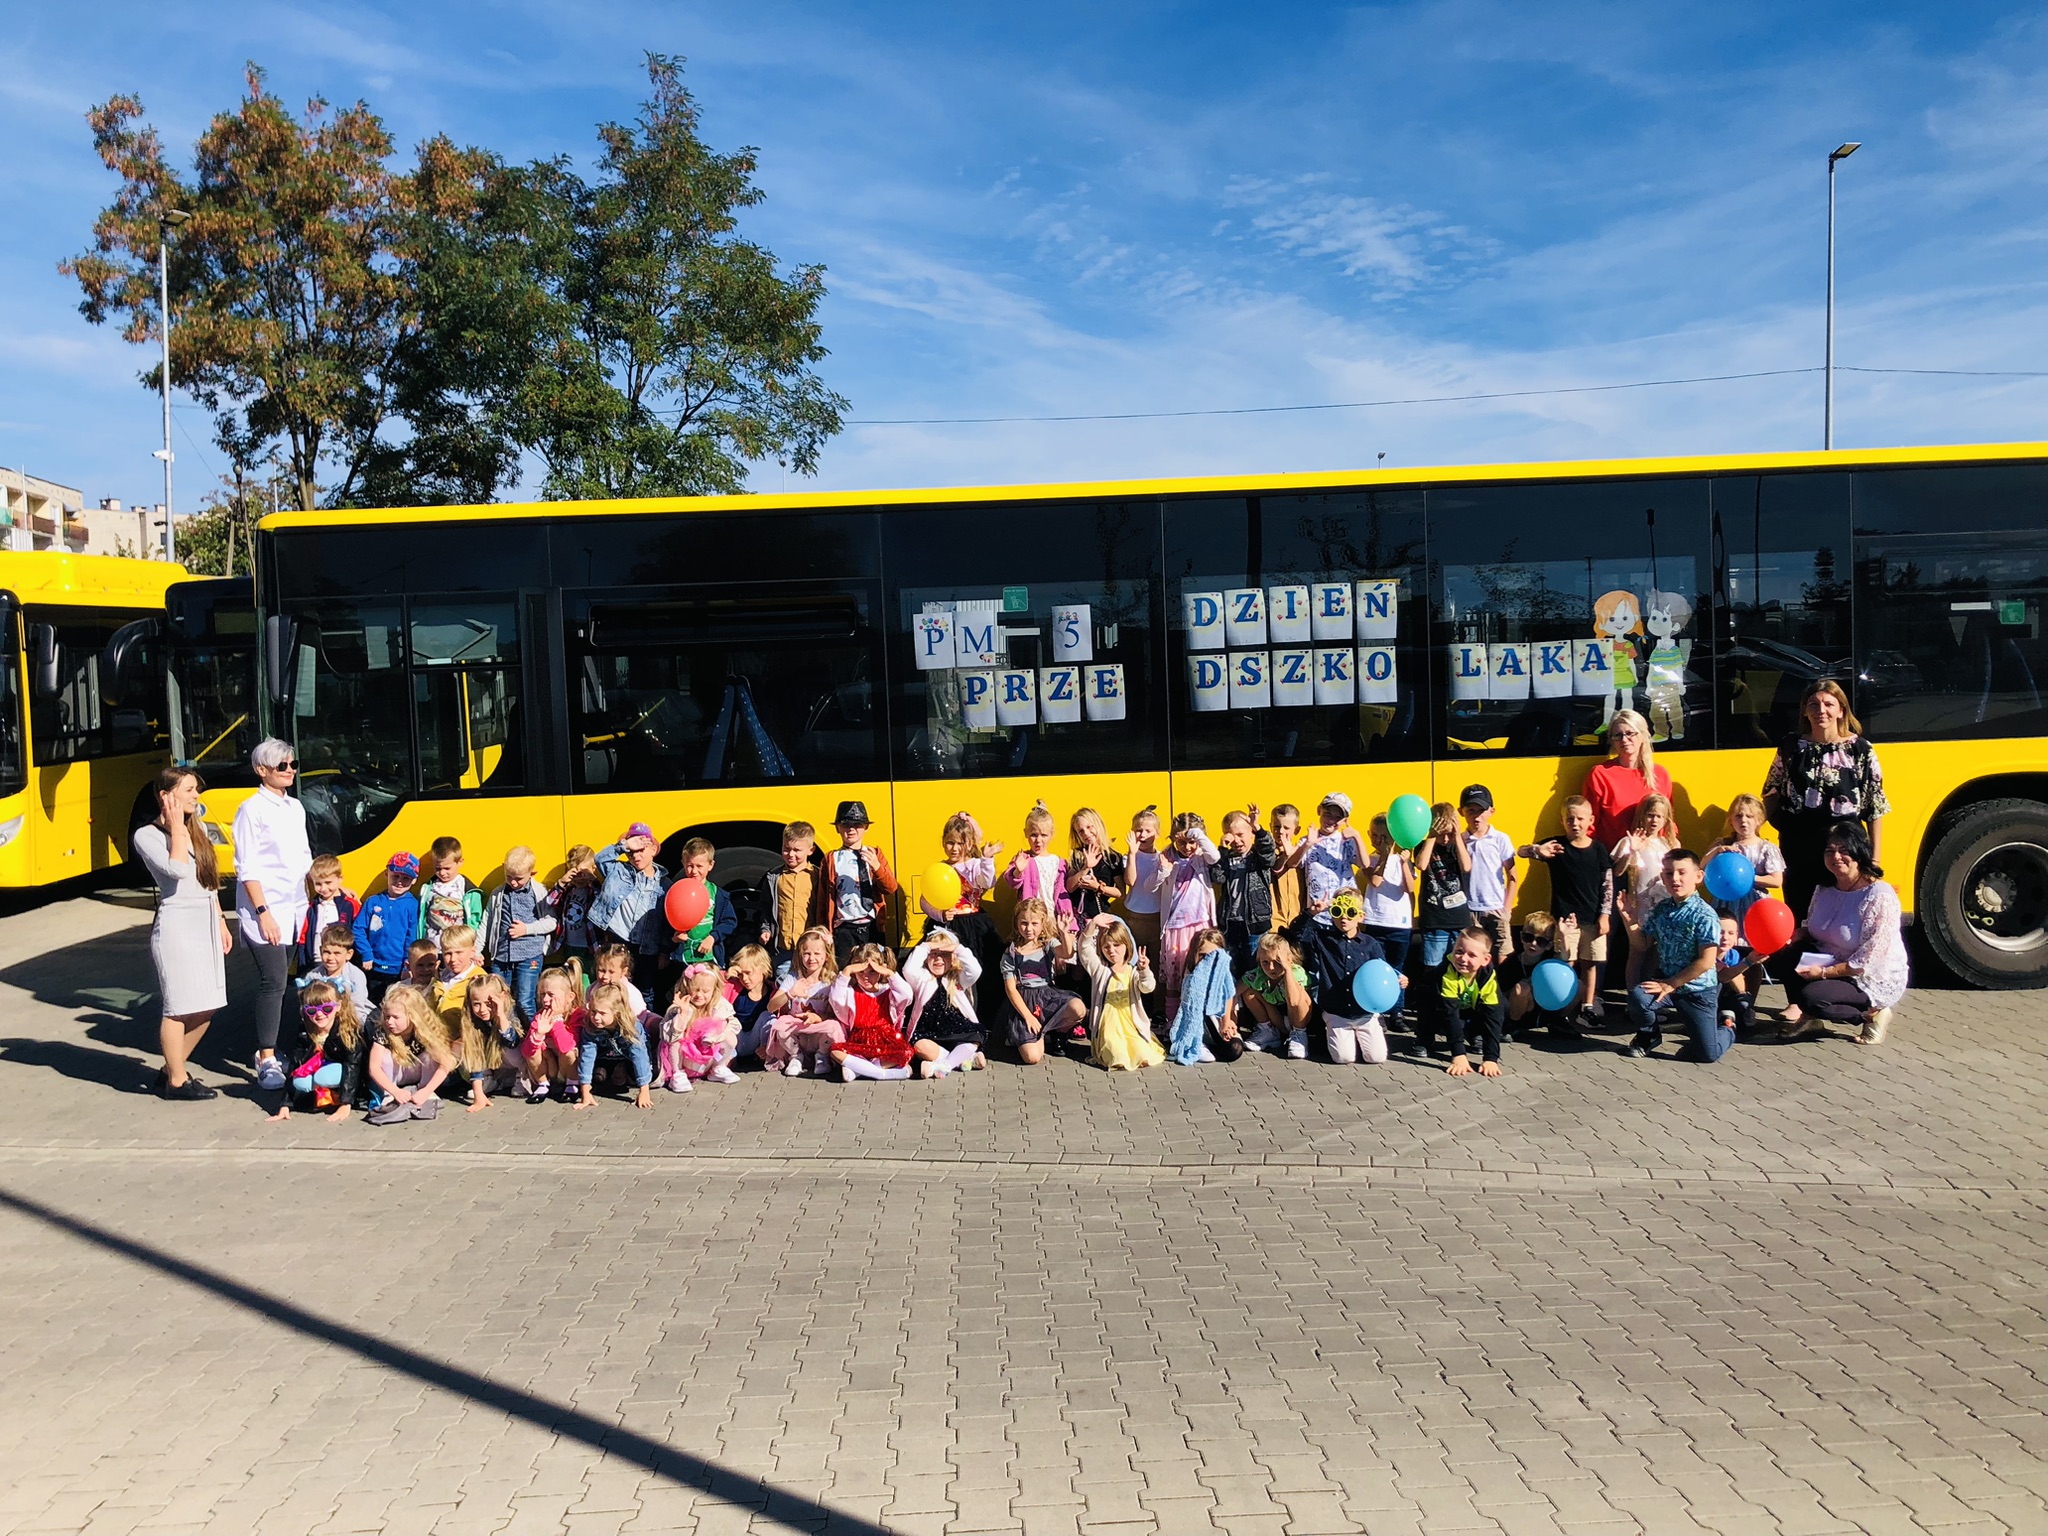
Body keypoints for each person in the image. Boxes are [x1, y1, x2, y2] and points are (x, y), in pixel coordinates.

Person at [135, 767, 233, 1099]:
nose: (196, 796)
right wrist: (176, 828)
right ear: (166, 796)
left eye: (196, 790)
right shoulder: (146, 835)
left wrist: (220, 919)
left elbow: (208, 879)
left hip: (204, 921)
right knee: (178, 1006)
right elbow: (175, 871)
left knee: (209, 1003)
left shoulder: (198, 828)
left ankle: (171, 1068)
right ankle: (177, 1080)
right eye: (189, 790)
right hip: (176, 927)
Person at [1762, 680, 1890, 921]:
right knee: (1801, 915)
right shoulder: (1791, 747)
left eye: (1829, 704)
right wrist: (1769, 829)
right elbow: (1771, 792)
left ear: (1841, 710)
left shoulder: (1861, 750)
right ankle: (1805, 960)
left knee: (1844, 917)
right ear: (1805, 711)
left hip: (1846, 848)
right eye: (1814, 704)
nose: (1821, 710)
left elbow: (1875, 807)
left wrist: (1873, 860)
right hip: (1799, 847)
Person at [1778, 820, 1908, 1046]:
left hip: (1867, 974)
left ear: (1859, 852)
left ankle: (1872, 1014)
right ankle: (1810, 1020)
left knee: (1813, 999)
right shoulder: (1824, 888)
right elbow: (1817, 929)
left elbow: (1867, 961)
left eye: (1844, 850)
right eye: (1830, 851)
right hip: (1830, 958)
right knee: (1781, 954)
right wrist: (1797, 935)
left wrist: (1823, 973)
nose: (1836, 857)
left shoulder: (1879, 896)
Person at [232, 738, 312, 1092]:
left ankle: (281, 1049)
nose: (290, 771)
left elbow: (304, 857)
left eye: (293, 764)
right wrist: (263, 912)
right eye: (282, 766)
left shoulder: (295, 807)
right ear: (261, 770)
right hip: (266, 908)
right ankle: (266, 1057)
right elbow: (246, 867)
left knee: (288, 982)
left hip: (296, 906)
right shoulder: (251, 809)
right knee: (274, 981)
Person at [1620, 850, 1731, 1063]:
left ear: (1698, 877)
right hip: (1666, 985)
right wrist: (1629, 920)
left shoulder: (1705, 915)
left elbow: (1706, 961)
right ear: (1663, 877)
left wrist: (1673, 983)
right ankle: (1649, 1035)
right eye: (1669, 873)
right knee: (1638, 997)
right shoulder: (1662, 908)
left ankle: (1728, 1027)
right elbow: (1642, 944)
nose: (1675, 879)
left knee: (1708, 1055)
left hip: (1698, 991)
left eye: (1682, 872)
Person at [1519, 795, 1614, 1029]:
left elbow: (1608, 885)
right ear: (1563, 821)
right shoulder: (1556, 847)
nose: (1575, 823)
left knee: (1590, 963)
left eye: (1580, 819)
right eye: (1569, 819)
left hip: (1592, 919)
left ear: (1590, 820)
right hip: (1564, 921)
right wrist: (1537, 849)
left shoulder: (1599, 849)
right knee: (1565, 963)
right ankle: (1560, 1010)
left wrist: (1605, 915)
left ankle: (1588, 1008)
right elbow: (1520, 852)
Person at [1292, 890, 1393, 1066]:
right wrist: (1312, 913)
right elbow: (1295, 934)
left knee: (1376, 1058)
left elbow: (1382, 970)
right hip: (1337, 1011)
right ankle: (1335, 1035)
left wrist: (1397, 980)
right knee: (1343, 1058)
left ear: (1360, 916)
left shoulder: (1370, 944)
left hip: (1365, 1012)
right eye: (1338, 912)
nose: (1344, 918)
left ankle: (1361, 1035)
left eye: (1351, 913)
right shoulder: (1323, 938)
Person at [929, 812, 1002, 1015]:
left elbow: (987, 882)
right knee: (945, 970)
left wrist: (987, 859)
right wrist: (939, 914)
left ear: (969, 844)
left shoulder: (974, 865)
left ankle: (977, 1014)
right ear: (943, 842)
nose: (955, 848)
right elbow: (925, 900)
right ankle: (946, 1012)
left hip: (972, 925)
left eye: (960, 843)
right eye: (950, 843)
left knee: (975, 969)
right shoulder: (940, 868)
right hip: (947, 925)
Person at [587, 823, 671, 999]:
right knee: (615, 989)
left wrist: (664, 951)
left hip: (648, 947)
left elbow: (666, 921)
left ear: (653, 849)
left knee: (645, 991)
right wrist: (623, 846)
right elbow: (600, 859)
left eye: (641, 850)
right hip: (620, 941)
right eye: (631, 852)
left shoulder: (664, 885)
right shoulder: (619, 871)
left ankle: (643, 1025)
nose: (636, 856)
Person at [1001, 898, 1085, 1066]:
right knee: (1032, 1058)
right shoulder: (1011, 953)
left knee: (1079, 1009)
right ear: (1017, 923)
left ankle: (1056, 1032)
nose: (1029, 929)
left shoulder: (1047, 944)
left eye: (1034, 923)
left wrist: (1064, 933)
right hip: (1025, 1001)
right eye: (1024, 923)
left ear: (1042, 923)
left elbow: (1067, 953)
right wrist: (1028, 1018)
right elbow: (1011, 989)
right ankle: (1022, 1036)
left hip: (1047, 995)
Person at [1078, 914, 1165, 1072]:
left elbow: (1148, 987)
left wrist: (1144, 970)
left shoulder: (1133, 971)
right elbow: (1083, 948)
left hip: (1131, 1024)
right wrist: (1093, 926)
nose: (1111, 951)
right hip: (1108, 1026)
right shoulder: (1100, 969)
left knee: (1143, 1054)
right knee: (1116, 1054)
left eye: (1116, 945)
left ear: (1127, 945)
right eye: (1106, 947)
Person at [816, 801, 898, 963]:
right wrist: (823, 929)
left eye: (857, 824)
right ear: (837, 828)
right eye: (845, 824)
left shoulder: (875, 854)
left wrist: (876, 866)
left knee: (874, 968)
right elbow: (822, 899)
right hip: (844, 928)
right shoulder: (831, 859)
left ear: (866, 827)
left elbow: (890, 888)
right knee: (845, 970)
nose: (851, 829)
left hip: (871, 925)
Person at [481, 845, 555, 1023]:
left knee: (525, 1001)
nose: (513, 882)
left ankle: (534, 1039)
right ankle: (507, 1037)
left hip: (529, 954)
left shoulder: (539, 893)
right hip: (501, 955)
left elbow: (551, 922)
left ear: (532, 873)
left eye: (519, 879)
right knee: (500, 1001)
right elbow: (487, 921)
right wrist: (477, 950)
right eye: (509, 877)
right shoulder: (498, 893)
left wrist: (526, 929)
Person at [1410, 802, 1472, 1008]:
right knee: (1432, 967)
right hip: (1435, 918)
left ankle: (1456, 1008)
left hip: (1458, 919)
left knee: (1461, 966)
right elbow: (1421, 864)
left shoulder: (1456, 844)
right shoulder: (1424, 844)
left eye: (1448, 834)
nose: (1444, 839)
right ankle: (1432, 1006)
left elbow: (1466, 866)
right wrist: (1431, 837)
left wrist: (1456, 837)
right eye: (1441, 834)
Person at [1156, 810, 1221, 1010]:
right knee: (1174, 979)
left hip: (1200, 924)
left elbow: (1215, 856)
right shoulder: (1166, 856)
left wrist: (1199, 836)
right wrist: (1164, 870)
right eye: (1182, 842)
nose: (1188, 847)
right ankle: (1172, 1020)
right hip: (1175, 927)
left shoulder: (1201, 855)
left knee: (1201, 973)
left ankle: (1201, 1018)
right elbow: (1153, 885)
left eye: (1191, 842)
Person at [272, 980, 362, 1122]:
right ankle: (323, 1096)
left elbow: (353, 1066)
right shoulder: (305, 1031)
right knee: (300, 1081)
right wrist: (285, 1105)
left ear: (338, 1006)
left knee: (324, 1076)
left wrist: (347, 1104)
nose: (319, 1015)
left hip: (344, 1075)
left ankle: (338, 1097)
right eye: (312, 1011)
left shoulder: (348, 1031)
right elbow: (294, 1065)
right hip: (319, 1071)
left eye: (326, 1009)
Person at [364, 984, 455, 1124]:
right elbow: (374, 1068)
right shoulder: (383, 1032)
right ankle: (387, 1095)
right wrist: (395, 1091)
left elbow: (446, 1064)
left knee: (431, 1055)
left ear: (412, 1016)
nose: (389, 1022)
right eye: (387, 1016)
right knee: (385, 1056)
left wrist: (427, 1091)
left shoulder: (425, 1031)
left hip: (419, 1073)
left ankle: (425, 1090)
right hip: (396, 1076)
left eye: (395, 1017)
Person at [1583, 708, 1672, 849]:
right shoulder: (1600, 774)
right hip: (1615, 857)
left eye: (1630, 733)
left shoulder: (1660, 774)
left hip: (1654, 858)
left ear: (1642, 736)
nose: (1624, 739)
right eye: (1618, 735)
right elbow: (1588, 824)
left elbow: (1669, 822)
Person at [903, 929, 987, 1078]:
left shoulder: (958, 978)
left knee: (975, 1036)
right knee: (919, 1046)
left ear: (953, 958)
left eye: (944, 954)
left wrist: (957, 948)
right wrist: (926, 946)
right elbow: (908, 969)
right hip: (930, 1032)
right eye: (934, 954)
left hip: (957, 1029)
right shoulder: (922, 978)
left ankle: (944, 1065)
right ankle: (963, 1060)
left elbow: (975, 970)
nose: (938, 959)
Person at [1612, 793, 1674, 989]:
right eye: (1650, 815)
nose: (1654, 820)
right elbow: (1617, 870)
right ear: (1642, 816)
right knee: (1637, 950)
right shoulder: (1630, 841)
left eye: (1659, 816)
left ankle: (1646, 994)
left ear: (1666, 820)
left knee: (1656, 952)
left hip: (1663, 905)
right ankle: (1632, 995)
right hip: (1639, 905)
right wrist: (1632, 849)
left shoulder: (1668, 844)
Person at [828, 946, 917, 1082]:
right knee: (835, 1051)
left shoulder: (888, 991)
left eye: (872, 972)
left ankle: (859, 1070)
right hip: (859, 1041)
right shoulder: (851, 992)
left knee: (906, 1052)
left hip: (886, 1041)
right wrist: (847, 971)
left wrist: (889, 973)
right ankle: (880, 1074)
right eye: (861, 972)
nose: (866, 977)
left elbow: (907, 996)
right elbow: (835, 999)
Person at [764, 927, 841, 1078]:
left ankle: (822, 1056)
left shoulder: (831, 980)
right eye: (806, 953)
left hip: (820, 1033)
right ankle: (796, 1057)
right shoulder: (794, 977)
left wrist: (818, 1018)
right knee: (779, 1025)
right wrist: (790, 993)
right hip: (798, 1035)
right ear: (800, 955)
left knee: (834, 1026)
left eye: (817, 953)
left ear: (826, 956)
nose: (811, 958)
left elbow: (835, 1014)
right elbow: (771, 1006)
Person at [1213, 805, 1278, 976]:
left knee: (1254, 967)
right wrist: (1222, 850)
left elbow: (1269, 852)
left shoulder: (1257, 857)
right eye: (1231, 836)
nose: (1237, 841)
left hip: (1255, 924)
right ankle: (1236, 1002)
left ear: (1251, 834)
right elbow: (1217, 877)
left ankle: (1255, 1002)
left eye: (1241, 835)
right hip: (1230, 923)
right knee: (1231, 968)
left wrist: (1258, 828)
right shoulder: (1227, 856)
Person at [1432, 929, 1505, 1077]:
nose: (1463, 959)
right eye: (1459, 951)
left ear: (1485, 960)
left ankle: (1473, 1032)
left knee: (1502, 1006)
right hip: (1439, 1008)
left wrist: (1491, 1058)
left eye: (1472, 955)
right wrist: (1458, 1054)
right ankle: (1424, 1038)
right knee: (1430, 1006)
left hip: (1469, 1010)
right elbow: (1449, 1013)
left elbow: (1493, 1016)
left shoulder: (1488, 977)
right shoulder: (1447, 971)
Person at [1458, 785, 1518, 965]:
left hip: (1496, 907)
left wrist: (1506, 909)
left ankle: (1502, 992)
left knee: (1503, 956)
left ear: (1491, 811)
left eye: (1481, 810)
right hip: (1470, 909)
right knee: (1473, 958)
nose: (1477, 816)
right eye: (1471, 810)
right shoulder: (1461, 841)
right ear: (1462, 812)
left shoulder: (1500, 839)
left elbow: (1513, 876)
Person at [1707, 793, 1785, 926]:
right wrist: (1716, 851)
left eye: (1749, 816)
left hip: (1754, 904)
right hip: (1725, 903)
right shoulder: (1722, 844)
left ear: (1759, 820)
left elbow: (1776, 880)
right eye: (1738, 816)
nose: (1743, 820)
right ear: (1731, 820)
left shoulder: (1766, 848)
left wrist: (1745, 879)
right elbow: (1702, 870)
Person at [353, 852, 421, 1004]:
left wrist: (407, 965)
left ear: (414, 880)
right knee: (372, 1006)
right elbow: (358, 929)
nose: (399, 882)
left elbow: (412, 938)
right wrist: (366, 953)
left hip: (398, 970)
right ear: (387, 873)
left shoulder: (412, 905)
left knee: (395, 1006)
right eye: (395, 876)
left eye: (406, 878)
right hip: (372, 967)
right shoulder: (373, 901)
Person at [1167, 928, 1242, 1065]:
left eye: (1213, 955)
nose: (1208, 960)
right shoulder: (1192, 976)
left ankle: (1215, 1045)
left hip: (1218, 1019)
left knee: (1234, 1049)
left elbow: (1228, 995)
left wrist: (1227, 1022)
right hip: (1201, 1021)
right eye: (1203, 956)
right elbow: (1190, 1007)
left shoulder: (1223, 974)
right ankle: (1197, 1042)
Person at [573, 983, 654, 1108]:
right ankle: (612, 1069)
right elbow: (587, 1056)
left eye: (602, 1013)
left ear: (617, 1013)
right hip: (606, 1055)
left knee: (651, 1074)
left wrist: (644, 1090)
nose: (596, 1017)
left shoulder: (631, 1027)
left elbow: (639, 1056)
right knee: (597, 1076)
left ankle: (622, 1069)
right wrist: (585, 1091)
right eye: (593, 1011)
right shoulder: (590, 1026)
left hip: (629, 1058)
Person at [453, 972, 526, 1111]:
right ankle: (488, 1079)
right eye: (476, 1004)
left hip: (517, 1059)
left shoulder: (511, 1011)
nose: (482, 1009)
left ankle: (522, 1078)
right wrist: (478, 1094)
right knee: (461, 1045)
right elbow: (474, 1054)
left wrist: (500, 1016)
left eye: (488, 1003)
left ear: (502, 998)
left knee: (508, 1047)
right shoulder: (471, 1019)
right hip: (495, 1063)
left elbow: (513, 1042)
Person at [658, 964, 739, 1089]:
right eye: (695, 989)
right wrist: (682, 1014)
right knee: (675, 1041)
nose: (699, 995)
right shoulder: (679, 1007)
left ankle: (718, 1068)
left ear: (714, 990)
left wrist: (718, 1036)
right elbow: (669, 1037)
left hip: (706, 1059)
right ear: (687, 987)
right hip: (684, 1060)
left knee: (730, 1037)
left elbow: (733, 1024)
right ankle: (677, 1074)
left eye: (705, 991)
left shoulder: (719, 1005)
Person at [1288, 792, 1367, 917]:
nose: (1331, 820)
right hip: (1317, 912)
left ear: (1345, 820)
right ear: (1319, 811)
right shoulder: (1308, 840)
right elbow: (1292, 863)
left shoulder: (1347, 841)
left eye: (1337, 817)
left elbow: (1364, 863)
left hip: (1345, 914)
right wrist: (1307, 844)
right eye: (1328, 814)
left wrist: (1357, 836)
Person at [1236, 933, 1313, 1056]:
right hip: (1279, 1020)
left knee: (1301, 995)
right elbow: (1233, 993)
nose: (1271, 968)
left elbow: (1293, 1002)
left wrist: (1287, 969)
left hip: (1298, 1019)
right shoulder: (1258, 974)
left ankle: (1298, 1035)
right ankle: (1268, 1031)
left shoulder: (1296, 972)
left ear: (1289, 959)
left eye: (1277, 962)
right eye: (1265, 962)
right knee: (1249, 992)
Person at [1359, 813, 1414, 974]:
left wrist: (1404, 864)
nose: (1377, 841)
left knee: (1397, 971)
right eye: (1374, 835)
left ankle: (1398, 999)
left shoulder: (1401, 859)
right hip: (1375, 922)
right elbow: (1375, 881)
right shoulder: (1369, 859)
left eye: (1384, 837)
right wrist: (1384, 854)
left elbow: (1409, 888)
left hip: (1399, 925)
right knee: (1377, 968)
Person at [522, 966, 584, 1103]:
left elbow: (566, 1047)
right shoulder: (541, 1015)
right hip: (549, 1068)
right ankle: (543, 1084)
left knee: (569, 1053)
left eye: (551, 995)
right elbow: (526, 1051)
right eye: (542, 994)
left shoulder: (577, 1015)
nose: (545, 1000)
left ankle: (572, 1083)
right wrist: (538, 1036)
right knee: (533, 1048)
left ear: (570, 997)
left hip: (569, 1068)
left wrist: (556, 1021)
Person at [1005, 802, 1073, 926]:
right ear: (1026, 833)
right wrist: (1018, 871)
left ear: (1052, 834)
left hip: (1053, 920)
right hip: (1031, 921)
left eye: (1044, 835)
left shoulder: (1059, 863)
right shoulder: (1024, 859)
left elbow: (1063, 893)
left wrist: (1069, 922)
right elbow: (1011, 882)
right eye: (1034, 835)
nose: (1038, 840)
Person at [762, 821, 818, 970]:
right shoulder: (774, 877)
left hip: (811, 948)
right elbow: (767, 907)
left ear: (811, 850)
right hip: (784, 948)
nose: (791, 854)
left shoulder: (817, 876)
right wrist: (765, 929)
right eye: (786, 849)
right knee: (783, 985)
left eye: (797, 850)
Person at [416, 836, 483, 950]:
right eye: (438, 868)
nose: (442, 873)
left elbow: (474, 921)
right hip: (432, 948)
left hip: (456, 948)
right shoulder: (428, 888)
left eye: (447, 868)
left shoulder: (467, 890)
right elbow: (422, 917)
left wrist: (472, 946)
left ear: (460, 862)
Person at [294, 856, 359, 970]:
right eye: (318, 884)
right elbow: (304, 937)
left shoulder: (350, 905)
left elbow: (358, 932)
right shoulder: (312, 907)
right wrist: (303, 964)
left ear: (340, 879)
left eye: (328, 882)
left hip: (342, 964)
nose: (323, 888)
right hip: (316, 961)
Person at [295, 922, 370, 1019]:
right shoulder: (313, 976)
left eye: (337, 953)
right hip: (320, 1019)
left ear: (349, 954)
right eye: (326, 952)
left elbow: (358, 1008)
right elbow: (306, 1006)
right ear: (320, 950)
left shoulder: (355, 976)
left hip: (348, 1021)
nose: (330, 957)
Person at [1064, 808, 1123, 925]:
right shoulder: (1078, 855)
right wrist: (1085, 868)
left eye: (1089, 827)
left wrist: (1098, 887)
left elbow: (1120, 893)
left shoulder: (1113, 857)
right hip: (1078, 917)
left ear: (1098, 825)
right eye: (1081, 831)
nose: (1086, 833)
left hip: (1100, 916)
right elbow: (1069, 887)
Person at [1121, 807, 1165, 960]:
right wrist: (1132, 854)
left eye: (1148, 831)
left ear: (1157, 834)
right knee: (1135, 959)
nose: (1143, 835)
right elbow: (1130, 881)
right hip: (1135, 916)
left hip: (1156, 916)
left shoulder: (1162, 858)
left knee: (1155, 961)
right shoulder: (1129, 857)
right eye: (1138, 830)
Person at [546, 844, 601, 968]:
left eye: (583, 873)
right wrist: (561, 882)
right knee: (572, 977)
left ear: (593, 869)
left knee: (588, 979)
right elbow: (549, 902)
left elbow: (604, 902)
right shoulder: (568, 890)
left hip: (590, 946)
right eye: (575, 873)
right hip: (569, 944)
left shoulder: (593, 890)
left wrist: (593, 880)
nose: (579, 878)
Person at [431, 925, 485, 1039]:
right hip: (437, 1037)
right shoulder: (440, 976)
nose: (453, 959)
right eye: (448, 954)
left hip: (464, 1040)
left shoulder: (478, 979)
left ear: (472, 952)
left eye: (459, 952)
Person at [726, 944, 778, 1060]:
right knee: (728, 1020)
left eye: (748, 973)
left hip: (756, 1040)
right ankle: (729, 1057)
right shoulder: (734, 988)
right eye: (740, 974)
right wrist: (727, 976)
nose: (744, 979)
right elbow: (715, 989)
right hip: (735, 1039)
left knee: (768, 1017)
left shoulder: (773, 992)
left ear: (763, 970)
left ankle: (766, 1052)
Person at [1267, 805, 1304, 935]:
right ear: (1270, 827)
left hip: (1298, 921)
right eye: (1276, 827)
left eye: (1286, 828)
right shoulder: (1265, 853)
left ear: (1297, 830)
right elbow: (1273, 870)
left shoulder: (1301, 855)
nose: (1281, 831)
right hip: (1274, 924)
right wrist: (1284, 856)